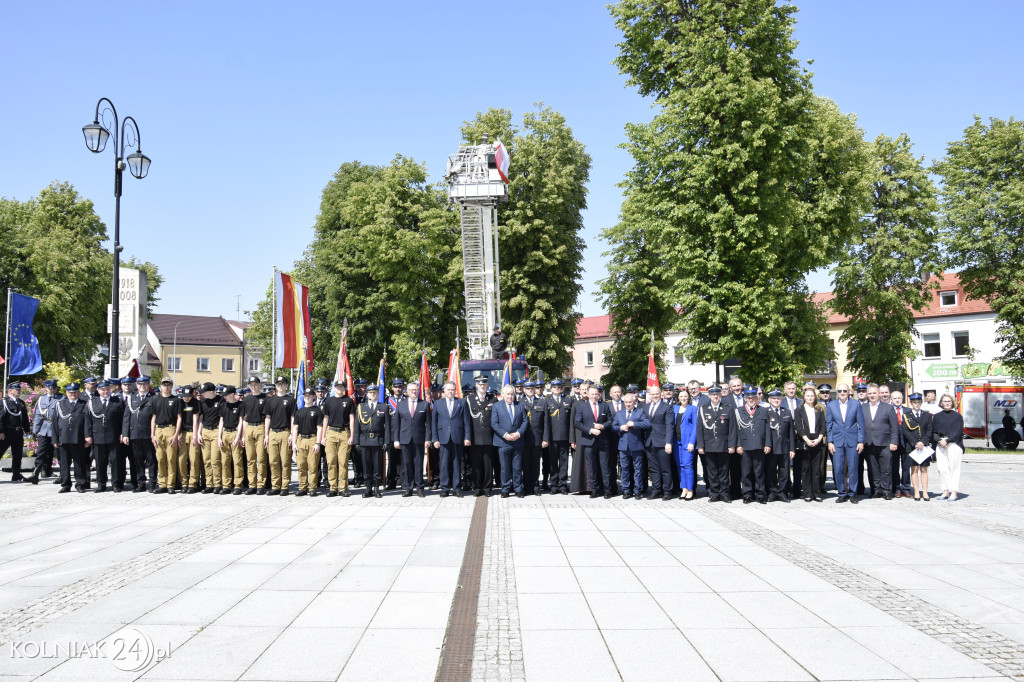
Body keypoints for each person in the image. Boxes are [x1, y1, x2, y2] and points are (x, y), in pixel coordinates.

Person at [695, 386, 735, 502]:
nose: (716, 396)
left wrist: (732, 445)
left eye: (717, 394)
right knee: (711, 471)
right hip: (709, 445)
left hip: (724, 445)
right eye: (713, 395)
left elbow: (732, 429)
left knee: (724, 470)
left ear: (721, 395)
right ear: (709, 396)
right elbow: (699, 429)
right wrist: (701, 445)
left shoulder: (728, 409)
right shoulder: (703, 409)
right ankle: (715, 493)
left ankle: (724, 493)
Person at [392, 381, 432, 497]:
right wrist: (396, 440)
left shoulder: (424, 404)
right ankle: (408, 488)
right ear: (407, 392)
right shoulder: (401, 405)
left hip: (419, 439)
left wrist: (428, 439)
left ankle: (420, 488)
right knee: (407, 464)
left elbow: (428, 424)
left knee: (418, 464)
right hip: (405, 439)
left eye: (416, 390)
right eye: (412, 390)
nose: (414, 392)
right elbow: (397, 424)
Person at [825, 383, 864, 503]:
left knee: (853, 468)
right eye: (840, 391)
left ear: (849, 392)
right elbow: (829, 425)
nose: (842, 393)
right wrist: (830, 441)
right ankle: (841, 493)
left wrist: (861, 441)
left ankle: (852, 493)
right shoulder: (831, 405)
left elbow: (861, 424)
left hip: (852, 440)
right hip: (837, 441)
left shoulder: (856, 404)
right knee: (838, 468)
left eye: (845, 391)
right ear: (837, 392)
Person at [432, 380, 471, 498]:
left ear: (455, 391)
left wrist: (467, 437)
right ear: (444, 391)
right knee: (444, 464)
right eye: (448, 389)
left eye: (452, 389)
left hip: (457, 437)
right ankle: (444, 488)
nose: (450, 392)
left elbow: (467, 422)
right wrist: (435, 439)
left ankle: (457, 488)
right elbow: (434, 422)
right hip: (443, 438)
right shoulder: (438, 403)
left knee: (457, 464)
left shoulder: (462, 402)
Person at [574, 384, 613, 498]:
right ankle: (594, 489)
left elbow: (610, 420)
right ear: (588, 394)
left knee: (605, 466)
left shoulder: (605, 405)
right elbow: (577, 423)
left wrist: (602, 426)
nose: (595, 396)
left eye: (596, 394)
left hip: (603, 441)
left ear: (599, 394)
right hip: (589, 440)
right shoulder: (582, 406)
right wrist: (590, 430)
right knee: (592, 467)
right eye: (592, 394)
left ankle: (607, 490)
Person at [862, 383, 899, 500]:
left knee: (886, 468)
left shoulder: (888, 407)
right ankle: (876, 490)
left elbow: (894, 427)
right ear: (867, 395)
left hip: (885, 442)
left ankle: (887, 491)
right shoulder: (862, 408)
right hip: (869, 442)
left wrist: (894, 442)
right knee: (872, 469)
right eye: (870, 393)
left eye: (874, 393)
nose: (872, 395)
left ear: (879, 394)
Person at [491, 384, 529, 497]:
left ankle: (518, 489)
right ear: (503, 394)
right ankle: (505, 489)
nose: (510, 396)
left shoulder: (520, 405)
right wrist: (505, 434)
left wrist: (518, 433)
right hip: (503, 442)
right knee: (504, 467)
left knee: (517, 467)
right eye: (508, 394)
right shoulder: (497, 406)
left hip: (517, 441)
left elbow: (525, 421)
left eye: (512, 394)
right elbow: (494, 423)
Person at [54, 383, 92, 493]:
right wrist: (55, 439)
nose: (73, 394)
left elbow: (87, 422)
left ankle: (80, 484)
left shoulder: (84, 404)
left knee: (79, 462)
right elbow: (55, 423)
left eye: (75, 392)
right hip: (63, 438)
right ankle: (66, 484)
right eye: (70, 392)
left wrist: (87, 436)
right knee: (64, 463)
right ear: (66, 393)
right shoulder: (60, 404)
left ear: (78, 393)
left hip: (78, 438)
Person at [734, 387, 770, 504]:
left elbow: (767, 429)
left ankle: (760, 494)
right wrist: (738, 445)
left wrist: (767, 444)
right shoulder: (739, 411)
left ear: (756, 398)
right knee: (746, 472)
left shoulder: (763, 410)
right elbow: (736, 430)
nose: (751, 400)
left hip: (759, 445)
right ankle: (747, 494)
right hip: (744, 446)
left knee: (759, 472)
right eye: (748, 398)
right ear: (744, 398)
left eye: (753, 397)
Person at [321, 380, 356, 497]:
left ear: (345, 388)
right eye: (338, 387)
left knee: (343, 461)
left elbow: (352, 419)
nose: (340, 389)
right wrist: (323, 436)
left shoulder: (349, 401)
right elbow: (325, 419)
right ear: (334, 388)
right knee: (331, 461)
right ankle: (333, 487)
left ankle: (343, 487)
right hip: (331, 432)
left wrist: (352, 435)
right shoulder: (328, 401)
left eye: (342, 387)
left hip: (344, 433)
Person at [88, 380, 124, 492]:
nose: (105, 391)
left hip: (113, 436)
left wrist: (123, 433)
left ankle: (116, 484)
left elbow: (123, 419)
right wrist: (88, 435)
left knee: (115, 461)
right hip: (98, 436)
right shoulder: (92, 402)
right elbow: (88, 420)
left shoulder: (117, 401)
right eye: (103, 389)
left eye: (107, 389)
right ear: (98, 390)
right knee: (99, 462)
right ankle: (101, 484)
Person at [613, 392, 650, 499]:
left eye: (630, 402)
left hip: (636, 446)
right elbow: (613, 427)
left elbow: (647, 424)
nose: (628, 404)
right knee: (625, 469)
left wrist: (635, 424)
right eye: (626, 402)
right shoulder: (619, 413)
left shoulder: (640, 412)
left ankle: (638, 490)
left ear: (634, 402)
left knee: (638, 469)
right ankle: (626, 490)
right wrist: (620, 428)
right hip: (623, 446)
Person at [263, 376, 296, 495]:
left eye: (283, 384)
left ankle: (285, 486)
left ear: (286, 385)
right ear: (275, 386)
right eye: (278, 384)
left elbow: (293, 418)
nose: (280, 386)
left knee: (286, 461)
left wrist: (292, 434)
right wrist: (266, 435)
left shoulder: (291, 400)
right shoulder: (270, 400)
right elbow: (267, 418)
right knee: (273, 461)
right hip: (273, 432)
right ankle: (275, 486)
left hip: (285, 432)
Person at [122, 376, 155, 492]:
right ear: (136, 386)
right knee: (138, 460)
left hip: (148, 434)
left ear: (148, 385)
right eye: (140, 384)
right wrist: (125, 434)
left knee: (151, 460)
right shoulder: (131, 398)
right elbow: (126, 417)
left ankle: (152, 483)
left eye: (145, 384)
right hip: (134, 434)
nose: (142, 386)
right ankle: (141, 483)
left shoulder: (153, 398)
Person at [356, 384, 389, 498]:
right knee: (366, 465)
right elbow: (357, 426)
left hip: (378, 440)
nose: (372, 394)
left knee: (377, 466)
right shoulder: (361, 407)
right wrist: (357, 442)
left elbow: (387, 427)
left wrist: (386, 441)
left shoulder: (384, 407)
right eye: (370, 393)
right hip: (364, 440)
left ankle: (376, 489)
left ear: (378, 394)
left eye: (375, 392)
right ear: (367, 394)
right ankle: (368, 489)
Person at [794, 386, 826, 502]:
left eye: (812, 395)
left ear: (815, 397)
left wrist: (819, 439)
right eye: (808, 395)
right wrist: (806, 439)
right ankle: (807, 493)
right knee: (806, 469)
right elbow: (798, 426)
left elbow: (823, 426)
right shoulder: (799, 410)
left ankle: (817, 493)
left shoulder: (819, 410)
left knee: (816, 469)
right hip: (804, 441)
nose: (810, 397)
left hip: (817, 440)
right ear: (804, 397)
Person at [466, 375, 497, 497]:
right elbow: (467, 420)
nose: (482, 386)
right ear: (476, 386)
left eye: (484, 384)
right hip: (475, 437)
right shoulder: (469, 399)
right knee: (476, 465)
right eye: (479, 384)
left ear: (487, 385)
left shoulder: (492, 399)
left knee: (488, 465)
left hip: (489, 437)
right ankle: (477, 487)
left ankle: (488, 487)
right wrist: (467, 437)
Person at [150, 378, 182, 494]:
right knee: (160, 458)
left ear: (172, 386)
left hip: (170, 429)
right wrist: (152, 435)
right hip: (159, 429)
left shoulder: (176, 400)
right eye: (164, 385)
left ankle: (171, 485)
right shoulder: (156, 400)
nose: (166, 387)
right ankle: (162, 484)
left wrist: (176, 434)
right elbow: (153, 417)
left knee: (171, 458)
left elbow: (179, 418)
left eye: (169, 385)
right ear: (161, 386)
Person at [290, 387, 324, 496]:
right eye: (305, 396)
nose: (307, 397)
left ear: (313, 397)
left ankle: (313, 488)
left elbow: (319, 428)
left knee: (313, 465)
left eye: (309, 395)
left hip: (312, 439)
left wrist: (318, 443)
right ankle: (302, 487)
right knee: (301, 465)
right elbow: (295, 428)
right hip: (301, 439)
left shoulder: (317, 411)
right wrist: (294, 443)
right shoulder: (299, 412)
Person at [901, 393, 933, 501]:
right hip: (912, 446)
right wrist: (915, 443)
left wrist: (923, 442)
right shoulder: (906, 415)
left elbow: (929, 431)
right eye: (914, 402)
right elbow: (905, 431)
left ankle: (925, 492)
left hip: (923, 447)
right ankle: (916, 492)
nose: (917, 404)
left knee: (924, 469)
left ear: (921, 403)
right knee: (914, 469)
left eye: (919, 402)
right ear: (911, 403)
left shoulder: (927, 415)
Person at [932, 394, 964, 501]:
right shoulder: (937, 417)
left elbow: (958, 432)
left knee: (954, 468)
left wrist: (947, 440)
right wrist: (940, 440)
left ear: (952, 403)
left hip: (954, 444)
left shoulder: (957, 416)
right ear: (941, 403)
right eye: (945, 401)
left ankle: (954, 492)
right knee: (942, 468)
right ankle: (945, 491)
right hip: (940, 444)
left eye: (949, 401)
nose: (947, 403)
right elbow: (933, 432)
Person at [544, 378, 574, 495]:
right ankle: (554, 484)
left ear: (562, 388)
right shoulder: (546, 401)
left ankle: (563, 484)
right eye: (555, 387)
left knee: (564, 461)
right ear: (551, 389)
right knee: (552, 461)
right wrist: (546, 438)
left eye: (559, 387)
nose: (557, 389)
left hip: (564, 437)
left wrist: (571, 437)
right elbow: (546, 422)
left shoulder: (568, 400)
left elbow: (571, 421)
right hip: (552, 437)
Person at [765, 389, 795, 502]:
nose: (776, 400)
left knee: (784, 471)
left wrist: (792, 448)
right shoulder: (766, 412)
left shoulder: (786, 412)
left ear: (781, 399)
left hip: (784, 447)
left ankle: (782, 492)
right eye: (774, 398)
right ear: (769, 400)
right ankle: (772, 492)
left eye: (778, 398)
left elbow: (791, 432)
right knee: (771, 471)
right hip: (771, 447)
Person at [520, 380, 549, 495]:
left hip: (538, 438)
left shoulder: (542, 402)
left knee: (536, 464)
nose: (530, 390)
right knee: (525, 464)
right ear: (524, 390)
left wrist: (545, 438)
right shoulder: (520, 402)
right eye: (528, 389)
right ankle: (527, 486)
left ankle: (535, 486)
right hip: (524, 439)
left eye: (532, 388)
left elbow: (546, 422)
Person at [195, 382, 224, 494]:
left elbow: (222, 419)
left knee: (215, 460)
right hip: (205, 431)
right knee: (206, 460)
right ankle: (209, 484)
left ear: (211, 391)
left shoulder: (221, 400)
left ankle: (217, 484)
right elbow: (201, 418)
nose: (202, 395)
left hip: (216, 430)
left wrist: (220, 435)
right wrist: (198, 433)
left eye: (204, 392)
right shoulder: (202, 401)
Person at [1, 382, 32, 483]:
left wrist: (27, 430)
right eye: (16, 390)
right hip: (7, 432)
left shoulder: (21, 402)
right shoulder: (4, 402)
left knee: (17, 454)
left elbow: (25, 418)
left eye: (19, 390)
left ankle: (16, 474)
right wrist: (1, 431)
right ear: (10, 391)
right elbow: (0, 418)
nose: (19, 391)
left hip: (18, 432)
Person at [241, 376, 267, 495]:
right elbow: (244, 418)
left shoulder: (265, 398)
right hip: (249, 427)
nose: (253, 386)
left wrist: (266, 434)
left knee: (261, 458)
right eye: (251, 384)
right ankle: (252, 484)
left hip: (260, 426)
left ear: (259, 385)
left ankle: (261, 484)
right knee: (250, 458)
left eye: (255, 384)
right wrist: (242, 434)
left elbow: (267, 417)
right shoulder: (246, 400)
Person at [32, 379, 61, 484]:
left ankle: (63, 474)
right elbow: (38, 416)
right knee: (41, 452)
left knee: (59, 453)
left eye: (53, 388)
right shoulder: (41, 399)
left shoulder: (61, 398)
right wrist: (36, 430)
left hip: (56, 428)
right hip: (44, 429)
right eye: (50, 388)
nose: (52, 390)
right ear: (46, 388)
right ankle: (35, 473)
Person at [217, 386, 244, 494]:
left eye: (227, 395)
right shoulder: (223, 405)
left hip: (234, 432)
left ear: (232, 394)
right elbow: (221, 421)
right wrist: (219, 436)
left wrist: (238, 436)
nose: (225, 397)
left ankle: (238, 485)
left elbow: (241, 421)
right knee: (225, 461)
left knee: (237, 461)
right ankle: (226, 485)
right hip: (225, 433)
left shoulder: (240, 405)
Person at [673, 389, 699, 500]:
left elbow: (695, 427)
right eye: (681, 396)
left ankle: (690, 490)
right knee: (680, 466)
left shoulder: (693, 409)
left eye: (685, 396)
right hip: (676, 442)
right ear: (678, 397)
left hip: (687, 442)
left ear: (688, 397)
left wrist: (692, 442)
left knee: (688, 466)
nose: (683, 398)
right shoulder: (674, 408)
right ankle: (683, 489)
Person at [890, 391, 912, 497]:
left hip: (906, 442)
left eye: (899, 398)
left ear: (902, 398)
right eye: (895, 398)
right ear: (891, 399)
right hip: (893, 442)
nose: (897, 400)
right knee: (894, 466)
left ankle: (906, 487)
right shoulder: (889, 410)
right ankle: (897, 488)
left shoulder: (908, 411)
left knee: (906, 466)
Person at [178, 386, 198, 492]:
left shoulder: (195, 403)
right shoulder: (179, 403)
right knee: (181, 460)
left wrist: (195, 435)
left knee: (194, 459)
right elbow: (178, 419)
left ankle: (192, 483)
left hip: (192, 432)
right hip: (182, 433)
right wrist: (178, 434)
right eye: (184, 396)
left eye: (188, 396)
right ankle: (183, 482)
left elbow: (196, 420)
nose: (186, 398)